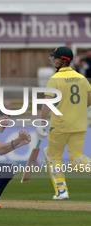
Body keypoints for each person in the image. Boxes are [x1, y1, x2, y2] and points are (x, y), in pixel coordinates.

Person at [37, 46, 91, 199]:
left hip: (60, 125)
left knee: (52, 155)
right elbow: (90, 98)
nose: (53, 59)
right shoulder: (81, 78)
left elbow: (47, 103)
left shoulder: (54, 79)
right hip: (80, 124)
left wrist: (42, 123)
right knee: (76, 158)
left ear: (63, 60)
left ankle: (62, 191)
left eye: (55, 57)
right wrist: (77, 109)